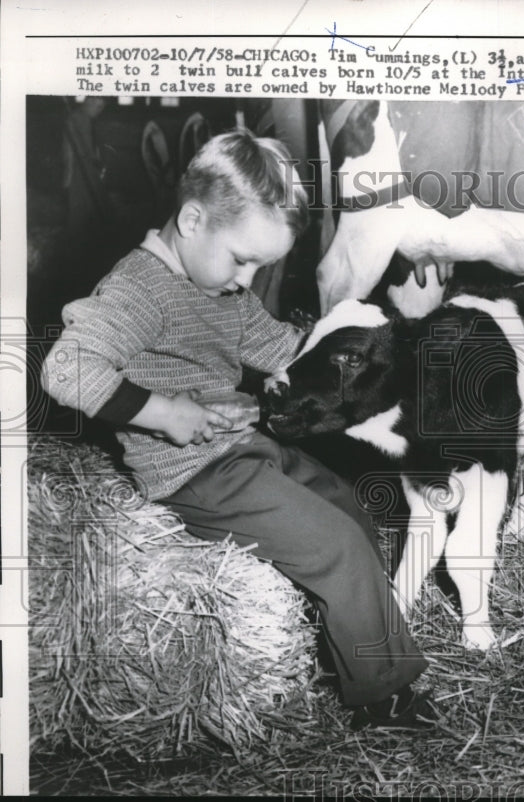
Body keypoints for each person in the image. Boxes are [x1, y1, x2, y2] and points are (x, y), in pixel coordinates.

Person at [41, 130, 434, 731]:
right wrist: (168, 413)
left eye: (261, 265)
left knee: (354, 512)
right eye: (242, 259)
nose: (248, 280)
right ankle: (384, 699)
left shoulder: (217, 285)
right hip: (195, 474)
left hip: (245, 449)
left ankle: (343, 657)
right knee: (338, 547)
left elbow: (278, 348)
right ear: (192, 220)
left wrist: (351, 354)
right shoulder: (140, 290)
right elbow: (65, 369)